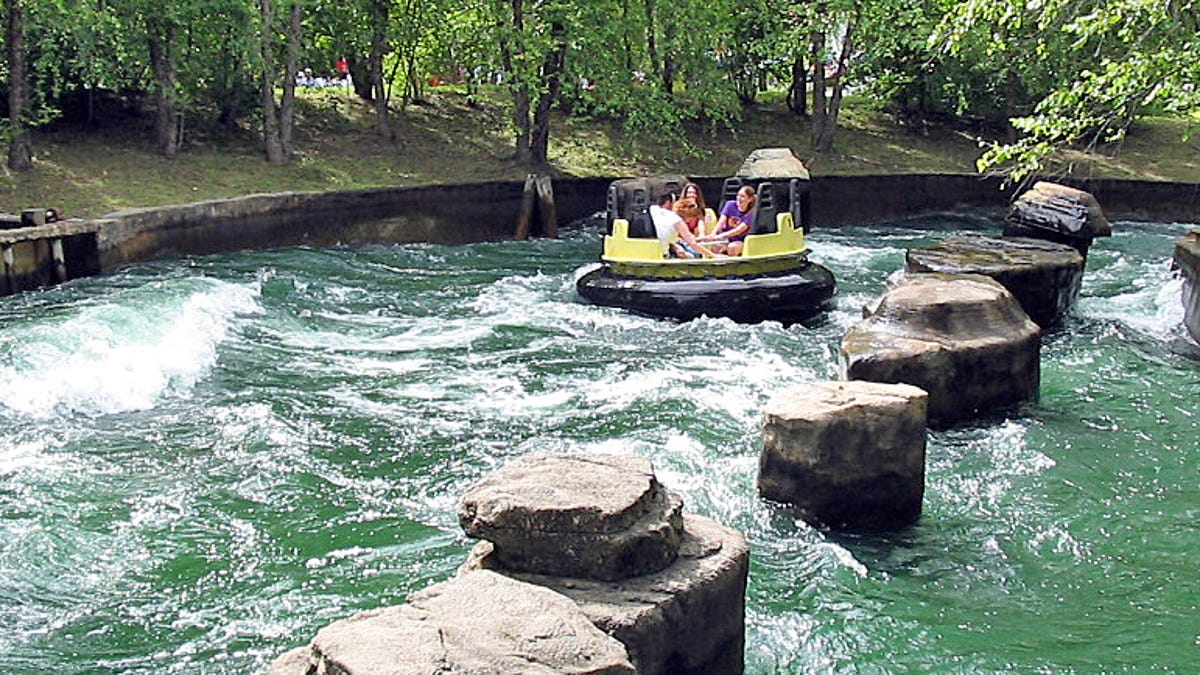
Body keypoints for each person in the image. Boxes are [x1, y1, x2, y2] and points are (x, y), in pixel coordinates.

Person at [710, 185, 757, 256]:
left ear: (750, 199)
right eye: (738, 195)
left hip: (740, 240)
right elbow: (721, 222)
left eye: (742, 196)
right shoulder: (730, 205)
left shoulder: (751, 212)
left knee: (732, 248)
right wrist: (713, 234)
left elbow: (738, 230)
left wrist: (721, 236)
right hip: (726, 239)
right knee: (715, 247)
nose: (739, 198)